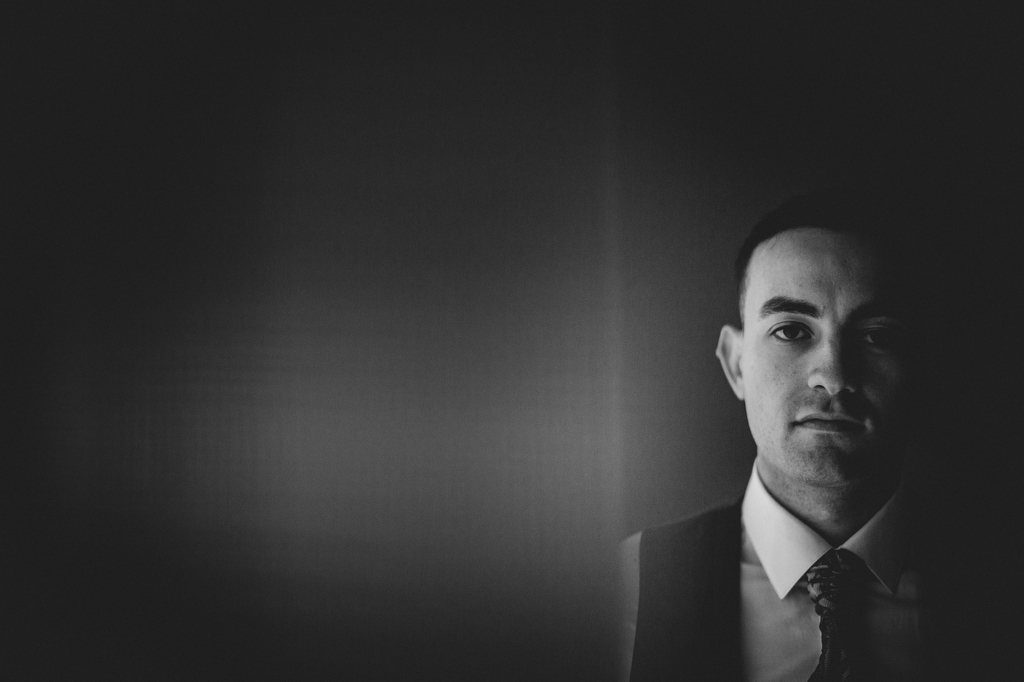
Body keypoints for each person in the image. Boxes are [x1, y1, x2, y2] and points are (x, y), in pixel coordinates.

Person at [620, 189, 953, 681]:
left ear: (919, 367)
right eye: (791, 331)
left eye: (877, 335)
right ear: (736, 364)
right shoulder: (623, 594)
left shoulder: (1006, 575)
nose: (834, 377)